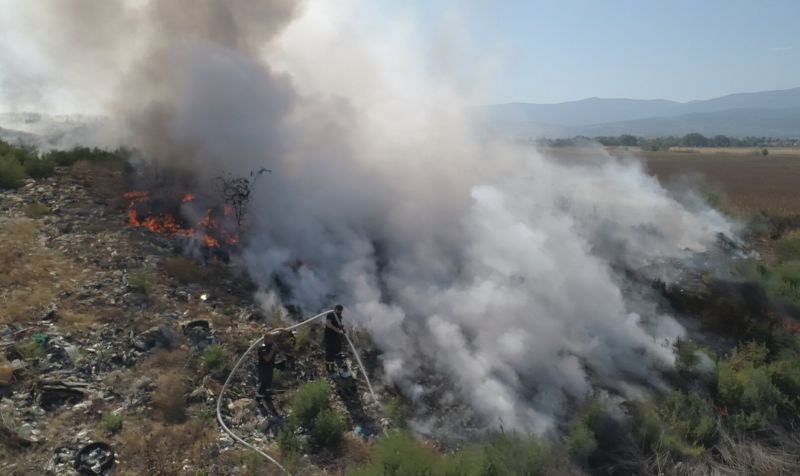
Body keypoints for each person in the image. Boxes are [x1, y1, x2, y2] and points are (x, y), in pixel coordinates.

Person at [256, 330, 279, 416]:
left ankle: (267, 398)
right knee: (263, 384)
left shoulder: (270, 346)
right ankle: (257, 401)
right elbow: (267, 359)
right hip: (263, 369)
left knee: (268, 385)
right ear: (266, 339)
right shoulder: (262, 348)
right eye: (271, 339)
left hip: (269, 369)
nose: (272, 340)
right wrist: (273, 350)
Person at [324, 304, 346, 374]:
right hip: (329, 336)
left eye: (341, 311)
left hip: (335, 336)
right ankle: (329, 368)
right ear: (335, 309)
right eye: (339, 310)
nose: (340, 312)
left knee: (337, 348)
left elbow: (338, 324)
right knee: (330, 352)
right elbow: (328, 323)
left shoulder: (339, 316)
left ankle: (334, 365)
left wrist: (342, 329)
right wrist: (335, 329)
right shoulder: (331, 314)